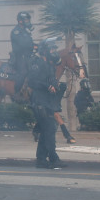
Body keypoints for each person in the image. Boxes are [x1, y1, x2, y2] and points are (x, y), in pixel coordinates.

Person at [29, 38, 66, 169]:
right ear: (44, 51)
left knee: (46, 131)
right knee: (49, 129)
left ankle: (41, 159)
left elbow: (52, 79)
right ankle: (53, 158)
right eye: (52, 49)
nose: (54, 51)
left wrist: (55, 85)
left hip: (48, 102)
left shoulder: (50, 65)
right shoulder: (37, 63)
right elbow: (32, 82)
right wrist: (47, 86)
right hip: (39, 101)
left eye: (54, 49)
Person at [9, 11, 35, 92]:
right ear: (20, 21)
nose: (28, 22)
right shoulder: (15, 31)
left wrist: (38, 46)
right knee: (23, 72)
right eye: (26, 20)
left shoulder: (26, 31)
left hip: (27, 56)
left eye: (28, 20)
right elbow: (23, 44)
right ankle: (16, 91)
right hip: (19, 56)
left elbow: (30, 43)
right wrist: (32, 46)